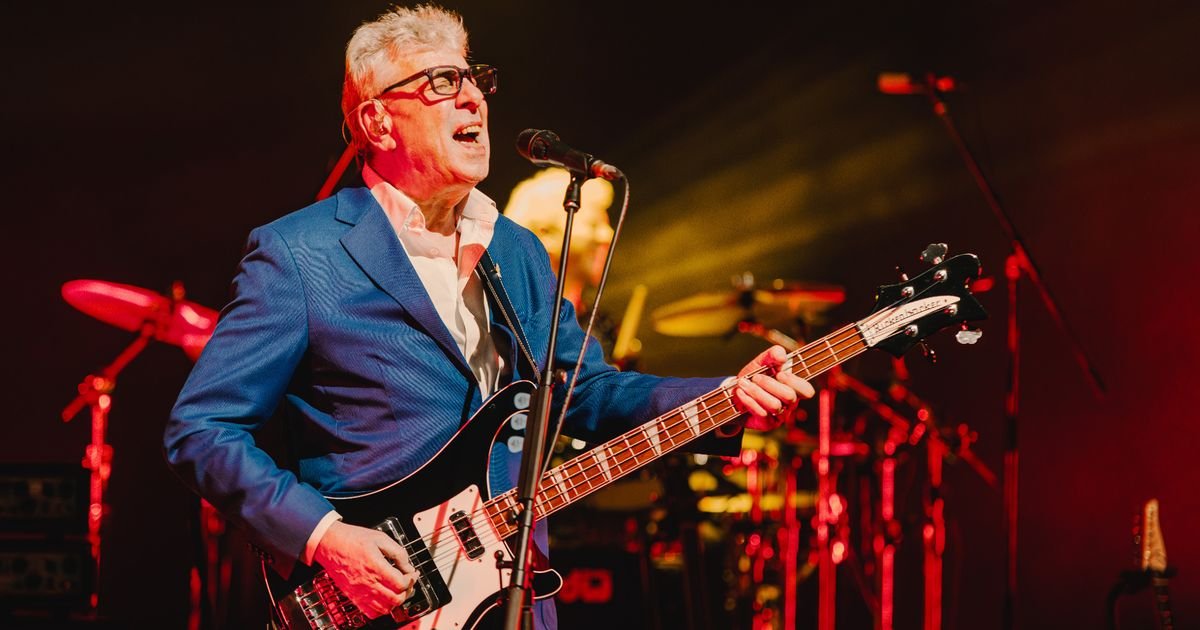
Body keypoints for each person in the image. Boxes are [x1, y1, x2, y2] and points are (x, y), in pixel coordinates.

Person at [164, 4, 814, 627]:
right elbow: (202, 428)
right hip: (380, 603)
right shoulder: (301, 253)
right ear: (379, 122)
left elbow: (584, 391)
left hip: (513, 597)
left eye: (475, 79)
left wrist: (726, 396)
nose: (474, 98)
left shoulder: (514, 249)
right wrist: (327, 537)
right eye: (443, 82)